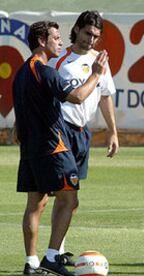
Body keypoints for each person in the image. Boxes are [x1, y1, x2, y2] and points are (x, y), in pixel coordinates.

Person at [13, 21, 107, 276]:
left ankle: (31, 263)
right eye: (56, 37)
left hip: (31, 149)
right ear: (42, 41)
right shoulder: (46, 71)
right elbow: (76, 96)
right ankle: (52, 257)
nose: (61, 42)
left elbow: (18, 122)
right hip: (54, 147)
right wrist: (96, 75)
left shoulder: (21, 72)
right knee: (69, 198)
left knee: (36, 203)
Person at [47, 10, 118, 265]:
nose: (91, 39)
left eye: (96, 36)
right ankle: (40, 257)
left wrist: (112, 131)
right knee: (53, 194)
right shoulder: (59, 60)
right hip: (60, 128)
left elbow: (106, 95)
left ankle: (57, 250)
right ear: (76, 29)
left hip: (81, 132)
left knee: (70, 195)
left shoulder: (99, 61)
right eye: (88, 33)